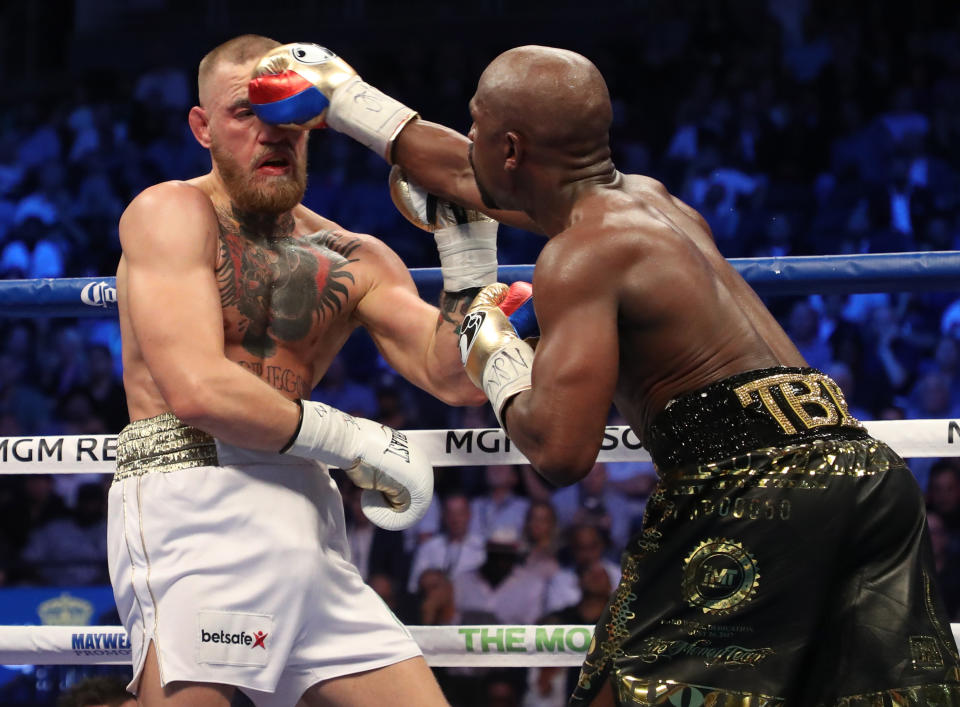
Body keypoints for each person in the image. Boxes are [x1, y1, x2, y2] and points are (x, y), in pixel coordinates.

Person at [251, 43, 960, 705]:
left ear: (512, 148)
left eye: (475, 123)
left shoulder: (579, 253)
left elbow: (561, 451)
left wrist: (492, 349)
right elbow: (469, 173)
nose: (465, 138)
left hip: (756, 490)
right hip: (864, 472)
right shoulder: (652, 200)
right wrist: (347, 98)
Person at [109, 34, 499, 707]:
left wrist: (468, 255)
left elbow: (455, 378)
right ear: (202, 127)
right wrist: (357, 442)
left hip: (309, 513)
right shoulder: (170, 212)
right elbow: (198, 388)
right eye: (245, 113)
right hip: (198, 499)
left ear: (316, 119)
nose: (272, 132)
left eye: (288, 111)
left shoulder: (357, 256)